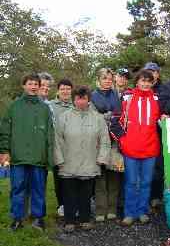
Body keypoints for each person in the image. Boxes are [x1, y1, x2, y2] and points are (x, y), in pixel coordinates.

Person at [0, 74, 54, 231]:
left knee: (38, 189)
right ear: (24, 86)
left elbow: (50, 134)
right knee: (17, 188)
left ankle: (38, 218)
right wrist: (4, 150)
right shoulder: (14, 107)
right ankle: (17, 219)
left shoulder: (44, 108)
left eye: (36, 84)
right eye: (30, 83)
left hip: (39, 157)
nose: (33, 86)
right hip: (18, 157)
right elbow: (5, 131)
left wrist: (49, 156)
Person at [54, 86, 110, 232]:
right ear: (74, 99)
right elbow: (57, 140)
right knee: (69, 193)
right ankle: (69, 221)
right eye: (78, 98)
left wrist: (102, 158)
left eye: (83, 98)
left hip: (90, 162)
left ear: (88, 100)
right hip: (68, 163)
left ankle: (85, 219)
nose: (80, 101)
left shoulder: (98, 118)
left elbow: (105, 140)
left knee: (85, 194)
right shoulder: (64, 117)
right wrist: (59, 160)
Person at [111, 70, 161, 226]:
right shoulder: (127, 97)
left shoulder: (157, 99)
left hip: (150, 148)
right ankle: (129, 213)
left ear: (152, 83)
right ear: (137, 82)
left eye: (149, 81)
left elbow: (163, 119)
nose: (145, 84)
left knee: (146, 182)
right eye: (142, 81)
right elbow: (114, 120)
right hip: (131, 148)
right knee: (131, 182)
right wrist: (123, 140)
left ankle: (142, 211)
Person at [91, 68, 122, 222]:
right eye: (104, 78)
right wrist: (104, 118)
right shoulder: (92, 96)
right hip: (99, 140)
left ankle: (112, 208)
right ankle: (100, 209)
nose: (107, 81)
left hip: (115, 140)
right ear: (99, 79)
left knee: (114, 175)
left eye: (110, 78)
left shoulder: (117, 95)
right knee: (100, 176)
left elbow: (121, 115)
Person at [49, 79, 74, 217]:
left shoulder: (75, 104)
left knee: (72, 178)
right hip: (58, 147)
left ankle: (73, 204)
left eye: (68, 89)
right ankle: (62, 205)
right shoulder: (51, 105)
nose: (65, 91)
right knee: (59, 178)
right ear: (58, 90)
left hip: (74, 148)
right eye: (63, 89)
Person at [144, 62, 165, 209]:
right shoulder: (137, 90)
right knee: (143, 169)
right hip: (143, 135)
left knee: (158, 168)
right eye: (148, 71)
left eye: (154, 71)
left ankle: (156, 196)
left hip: (159, 134)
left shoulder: (164, 90)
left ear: (158, 74)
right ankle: (143, 199)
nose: (151, 73)